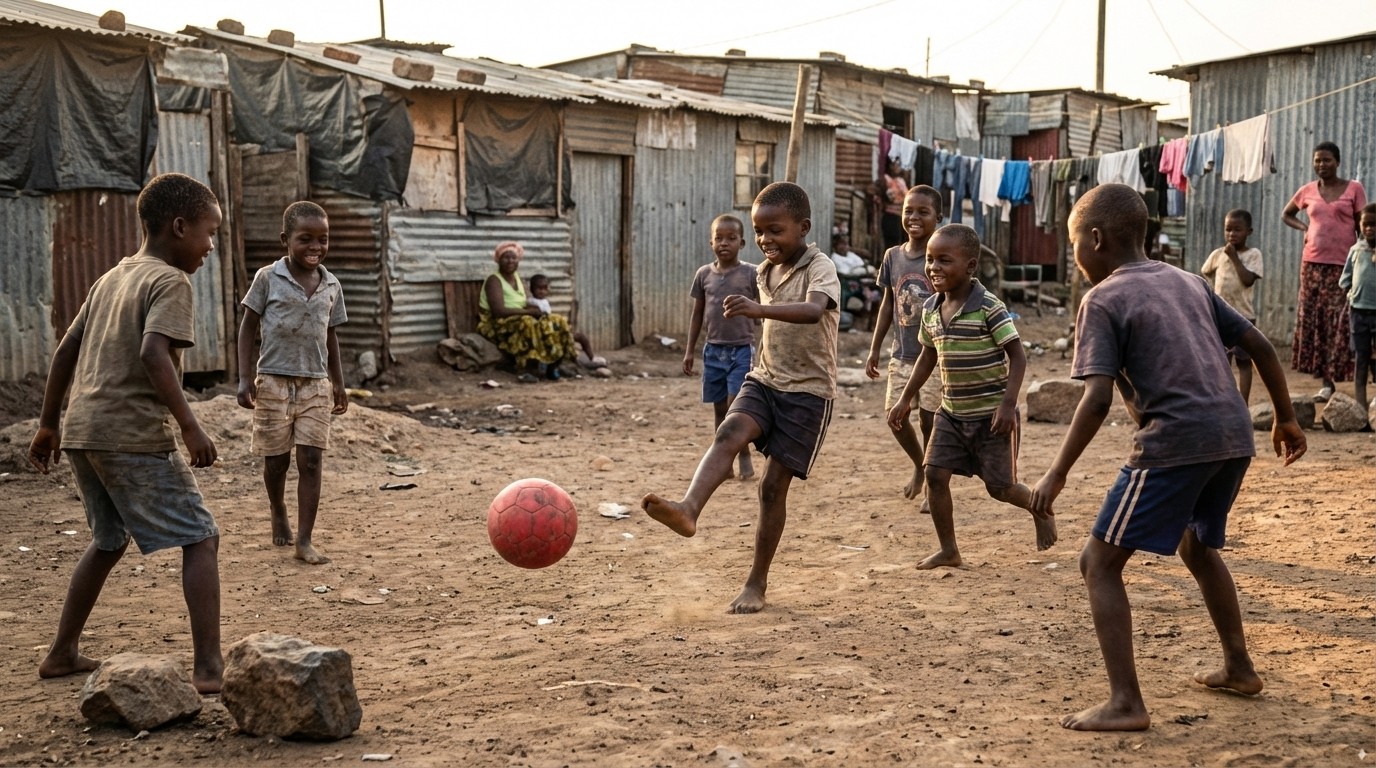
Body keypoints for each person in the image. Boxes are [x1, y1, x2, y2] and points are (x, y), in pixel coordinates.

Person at [1031, 184, 1307, 732]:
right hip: (1231, 434)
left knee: (1098, 563)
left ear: (1095, 238)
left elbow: (1097, 398)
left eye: (1073, 244)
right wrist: (1285, 415)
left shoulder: (1103, 298)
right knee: (1197, 545)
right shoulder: (1190, 282)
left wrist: (1056, 472)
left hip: (1174, 442)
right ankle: (1238, 666)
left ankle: (1127, 703)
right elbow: (1261, 346)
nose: (1075, 258)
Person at [26, 173, 225, 693]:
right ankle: (209, 669)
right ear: (179, 227)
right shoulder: (169, 281)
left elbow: (66, 351)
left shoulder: (112, 277)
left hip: (82, 431)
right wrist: (190, 426)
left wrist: (49, 424)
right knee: (201, 537)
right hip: (132, 434)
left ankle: (62, 653)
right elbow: (153, 353)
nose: (210, 246)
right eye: (209, 233)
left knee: (108, 539)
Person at [643, 182, 839, 614]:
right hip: (766, 377)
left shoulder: (819, 266)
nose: (766, 240)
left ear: (803, 228)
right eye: (760, 232)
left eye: (776, 230)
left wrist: (757, 309)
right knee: (728, 430)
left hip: (808, 392)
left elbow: (811, 311)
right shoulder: (764, 272)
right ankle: (689, 509)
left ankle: (756, 582)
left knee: (772, 488)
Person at [887, 223, 1054, 569]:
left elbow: (1018, 355)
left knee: (1001, 488)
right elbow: (927, 356)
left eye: (944, 260)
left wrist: (1008, 405)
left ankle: (1040, 508)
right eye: (930, 260)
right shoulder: (931, 308)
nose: (933, 268)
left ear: (971, 267)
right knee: (934, 474)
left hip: (992, 415)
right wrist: (905, 398)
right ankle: (949, 550)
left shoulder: (989, 307)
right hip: (951, 411)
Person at [237, 201, 348, 566]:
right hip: (273, 381)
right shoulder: (267, 278)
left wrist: (339, 383)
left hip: (316, 383)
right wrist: (243, 378)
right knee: (276, 462)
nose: (315, 246)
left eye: (323, 239)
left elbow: (330, 336)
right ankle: (277, 507)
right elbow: (248, 327)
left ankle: (305, 539)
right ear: (286, 239)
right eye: (306, 239)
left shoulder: (331, 284)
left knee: (311, 460)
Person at [865, 185, 945, 505]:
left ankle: (934, 480)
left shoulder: (939, 258)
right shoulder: (893, 256)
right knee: (894, 416)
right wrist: (874, 348)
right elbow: (888, 304)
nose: (913, 217)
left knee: (929, 420)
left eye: (922, 212)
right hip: (902, 353)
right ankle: (919, 466)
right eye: (908, 211)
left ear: (937, 219)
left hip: (935, 355)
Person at [1282, 141, 1367, 402]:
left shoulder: (1354, 188)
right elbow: (1287, 214)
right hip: (1312, 265)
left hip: (1343, 266)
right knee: (1316, 321)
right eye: (1317, 160)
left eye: (1327, 160)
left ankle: (1351, 383)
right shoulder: (1307, 190)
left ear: (1338, 162)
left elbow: (1362, 225)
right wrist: (1304, 229)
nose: (1322, 165)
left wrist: (1364, 255)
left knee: (1339, 322)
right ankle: (1327, 384)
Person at [682, 214, 759, 480]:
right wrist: (690, 350)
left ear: (743, 242)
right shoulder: (704, 274)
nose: (724, 243)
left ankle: (745, 453)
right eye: (719, 238)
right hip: (713, 350)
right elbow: (697, 314)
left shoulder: (751, 273)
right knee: (719, 409)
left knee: (734, 406)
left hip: (742, 349)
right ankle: (724, 463)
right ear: (710, 242)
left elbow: (765, 308)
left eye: (731, 238)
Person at [478, 241, 577, 382]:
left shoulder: (517, 278)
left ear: (518, 260)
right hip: (496, 323)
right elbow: (498, 311)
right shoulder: (494, 280)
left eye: (513, 258)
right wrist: (529, 312)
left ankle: (554, 364)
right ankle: (526, 369)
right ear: (498, 260)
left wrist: (534, 310)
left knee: (556, 320)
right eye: (506, 257)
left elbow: (526, 302)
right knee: (528, 322)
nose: (510, 261)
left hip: (517, 316)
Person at [1201, 209, 1264, 401]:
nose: (1232, 234)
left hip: (1244, 316)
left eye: (1237, 230)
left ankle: (1242, 403)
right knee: (1221, 361)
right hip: (1220, 317)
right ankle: (1223, 400)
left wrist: (1234, 257)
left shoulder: (1253, 255)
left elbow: (1247, 280)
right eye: (1228, 229)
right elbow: (1205, 272)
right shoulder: (1218, 254)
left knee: (1244, 363)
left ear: (1249, 232)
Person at [1339, 202, 1376, 408]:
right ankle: (1361, 406)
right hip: (1359, 312)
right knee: (1361, 357)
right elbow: (1345, 278)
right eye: (1366, 224)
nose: (1370, 228)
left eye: (1374, 225)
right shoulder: (1356, 250)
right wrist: (1350, 293)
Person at [528, 273, 604, 370]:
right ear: (532, 289)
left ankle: (592, 358)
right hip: (548, 334)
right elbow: (542, 319)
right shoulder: (532, 303)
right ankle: (581, 361)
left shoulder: (544, 301)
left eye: (545, 288)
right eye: (539, 288)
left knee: (581, 337)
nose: (542, 291)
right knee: (577, 338)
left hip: (553, 330)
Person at [832, 232, 879, 330]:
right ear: (835, 245)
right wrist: (861, 271)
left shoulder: (850, 255)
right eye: (842, 244)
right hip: (848, 285)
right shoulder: (835, 258)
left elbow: (863, 265)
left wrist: (862, 270)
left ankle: (872, 323)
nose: (845, 247)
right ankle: (861, 321)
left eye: (846, 244)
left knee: (878, 292)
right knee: (867, 293)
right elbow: (846, 273)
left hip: (861, 281)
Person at [881, 159, 909, 249]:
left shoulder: (900, 180)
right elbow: (891, 196)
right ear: (890, 166)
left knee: (898, 242)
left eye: (898, 165)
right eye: (894, 164)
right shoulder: (887, 179)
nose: (897, 167)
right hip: (890, 216)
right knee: (892, 243)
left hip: (899, 216)